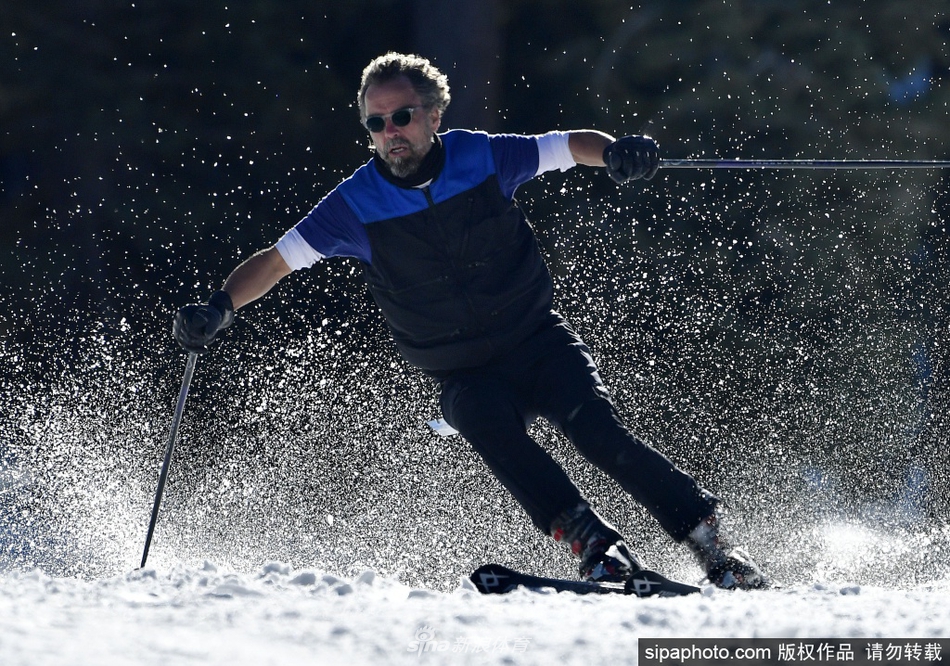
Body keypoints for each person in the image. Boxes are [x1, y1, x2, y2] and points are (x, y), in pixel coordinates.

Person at [173, 52, 767, 590]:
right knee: (489, 427)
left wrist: (614, 151)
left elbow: (568, 145)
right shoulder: (355, 205)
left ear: (433, 114)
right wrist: (220, 307)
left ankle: (710, 544)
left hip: (536, 341)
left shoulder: (481, 156)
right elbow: (275, 263)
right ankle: (596, 547)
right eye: (375, 124)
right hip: (461, 371)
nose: (389, 134)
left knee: (599, 434)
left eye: (401, 117)